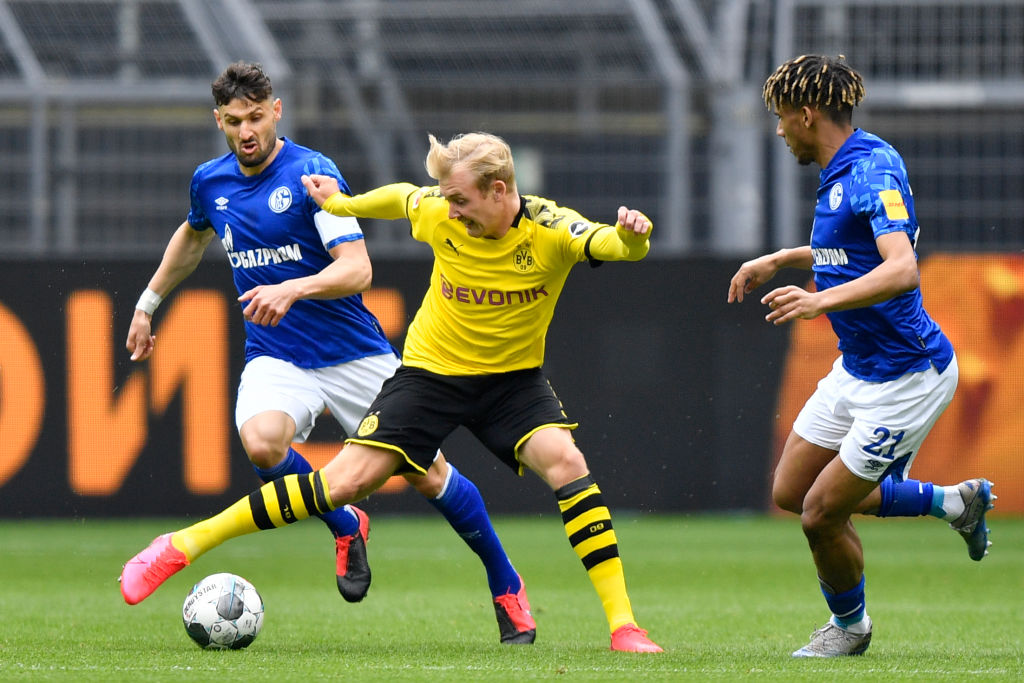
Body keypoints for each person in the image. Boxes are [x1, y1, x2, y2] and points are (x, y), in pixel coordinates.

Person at [120, 130, 663, 653]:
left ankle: (623, 626)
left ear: (499, 191)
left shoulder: (549, 229)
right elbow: (403, 198)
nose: (450, 211)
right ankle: (182, 545)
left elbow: (612, 244)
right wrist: (340, 205)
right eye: (447, 199)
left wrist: (634, 237)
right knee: (344, 484)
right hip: (430, 375)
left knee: (566, 461)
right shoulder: (439, 211)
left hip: (511, 382)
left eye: (460, 200)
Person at [121, 62, 536, 645]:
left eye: (257, 118)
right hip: (278, 356)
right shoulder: (209, 182)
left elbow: (357, 269)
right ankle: (345, 524)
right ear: (218, 120)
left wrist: (293, 288)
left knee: (427, 474)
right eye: (234, 121)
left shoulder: (312, 172)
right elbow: (193, 236)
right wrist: (147, 302)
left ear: (277, 111)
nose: (247, 131)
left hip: (352, 353)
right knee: (262, 441)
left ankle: (505, 583)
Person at [727, 54, 996, 658]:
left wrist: (820, 303)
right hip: (858, 369)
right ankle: (954, 502)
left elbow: (901, 270)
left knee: (820, 513)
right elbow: (848, 251)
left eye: (780, 118)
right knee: (791, 491)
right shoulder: (848, 165)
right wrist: (782, 258)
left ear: (806, 114)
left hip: (908, 375)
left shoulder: (871, 170)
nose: (777, 131)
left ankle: (850, 629)